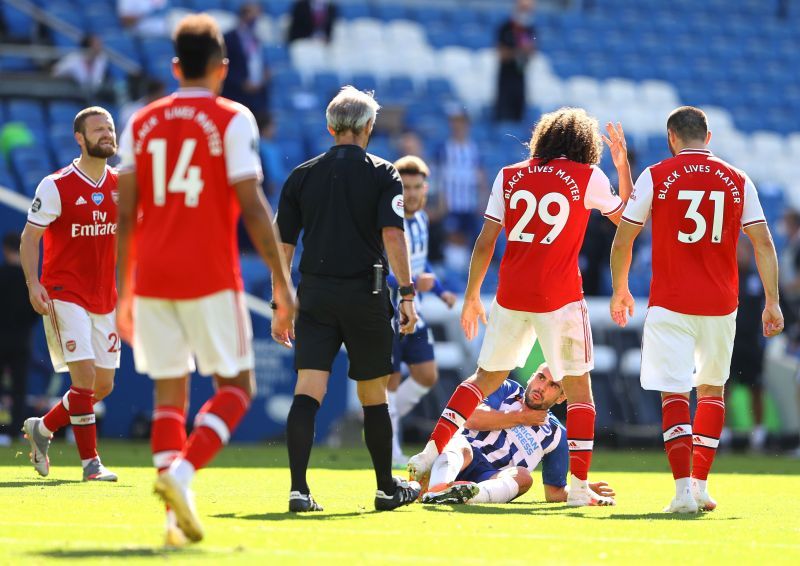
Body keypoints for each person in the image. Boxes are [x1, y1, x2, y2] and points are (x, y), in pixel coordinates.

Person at [115, 14, 296, 545]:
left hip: (151, 278)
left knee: (169, 397)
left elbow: (126, 215)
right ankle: (183, 475)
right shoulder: (233, 117)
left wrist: (124, 290)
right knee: (237, 388)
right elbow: (254, 207)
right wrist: (282, 283)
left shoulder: (140, 121)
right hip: (211, 275)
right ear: (222, 68)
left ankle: (174, 521)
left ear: (174, 67)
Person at [408, 108, 633, 508]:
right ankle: (579, 489)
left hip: (511, 292)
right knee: (580, 392)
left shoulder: (510, 174)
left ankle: (430, 451)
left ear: (542, 139)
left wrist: (473, 295)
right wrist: (623, 167)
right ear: (584, 143)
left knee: (482, 380)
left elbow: (485, 240)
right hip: (559, 296)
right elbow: (628, 220)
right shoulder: (588, 176)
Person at [609, 106, 784, 513]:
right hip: (721, 305)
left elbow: (623, 239)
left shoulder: (655, 175)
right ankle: (702, 485)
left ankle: (683, 491)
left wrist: (620, 290)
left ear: (672, 137)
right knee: (711, 390)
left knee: (675, 392)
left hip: (671, 302)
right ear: (709, 137)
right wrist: (772, 301)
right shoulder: (737, 179)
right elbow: (763, 243)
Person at [275, 85, 421, 513]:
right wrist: (407, 293)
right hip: (365, 291)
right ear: (369, 127)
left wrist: (279, 302)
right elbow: (393, 235)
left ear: (330, 126)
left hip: (314, 292)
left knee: (308, 391)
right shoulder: (383, 172)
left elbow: (281, 245)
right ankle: (384, 489)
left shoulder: (301, 174)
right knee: (373, 395)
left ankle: (299, 490)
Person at [20, 106, 120, 482]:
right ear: (80, 138)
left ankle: (43, 428)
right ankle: (90, 464)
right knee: (84, 379)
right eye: (98, 129)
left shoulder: (121, 184)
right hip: (64, 293)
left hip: (104, 296)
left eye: (110, 128)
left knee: (103, 385)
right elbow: (31, 238)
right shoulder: (56, 184)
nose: (106, 134)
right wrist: (34, 282)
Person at [422, 364, 615, 505]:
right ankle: (437, 489)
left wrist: (581, 488)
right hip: (464, 457)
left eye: (553, 386)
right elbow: (471, 417)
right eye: (540, 377)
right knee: (459, 444)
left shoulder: (556, 436)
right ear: (531, 377)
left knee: (524, 477)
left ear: (561, 398)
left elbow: (554, 492)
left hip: (489, 477)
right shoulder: (507, 388)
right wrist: (521, 417)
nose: (542, 387)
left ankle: (468, 495)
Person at [386, 155, 457, 466]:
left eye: (417, 186)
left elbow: (420, 261)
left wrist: (440, 292)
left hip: (415, 310)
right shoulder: (388, 222)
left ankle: (378, 419)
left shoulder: (424, 220)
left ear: (425, 189)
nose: (412, 193)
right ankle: (391, 450)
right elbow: (381, 270)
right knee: (388, 380)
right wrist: (414, 282)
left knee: (426, 375)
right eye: (406, 187)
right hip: (386, 310)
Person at [729, 239, 768, 450]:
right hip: (729, 341)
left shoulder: (759, 278)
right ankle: (722, 433)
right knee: (723, 386)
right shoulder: (726, 275)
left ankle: (759, 434)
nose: (741, 254)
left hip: (752, 343)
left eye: (744, 250)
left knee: (757, 388)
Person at [0, 232, 39, 443]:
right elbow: (36, 311)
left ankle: (3, 432)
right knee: (19, 388)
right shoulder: (28, 279)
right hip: (22, 341)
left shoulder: (1, 274)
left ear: (5, 249)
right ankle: (16, 431)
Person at [437, 109, 486, 246]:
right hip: (450, 205)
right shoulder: (444, 148)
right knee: (451, 241)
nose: (458, 126)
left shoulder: (474, 149)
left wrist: (482, 201)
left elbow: (481, 175)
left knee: (470, 243)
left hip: (470, 205)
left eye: (461, 122)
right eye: (455, 122)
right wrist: (441, 201)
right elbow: (438, 176)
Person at [222, 3, 270, 118]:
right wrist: (241, 83)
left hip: (256, 97)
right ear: (244, 15)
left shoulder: (256, 38)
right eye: (253, 14)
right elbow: (225, 65)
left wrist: (264, 75)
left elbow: (257, 61)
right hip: (236, 95)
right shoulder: (229, 38)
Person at [495, 0, 537, 122]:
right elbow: (501, 54)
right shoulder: (506, 27)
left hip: (521, 77)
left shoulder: (529, 29)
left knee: (519, 115)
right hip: (506, 80)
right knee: (504, 116)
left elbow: (532, 51)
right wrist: (518, 52)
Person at [52, 35, 113, 102]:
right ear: (88, 47)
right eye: (97, 44)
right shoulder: (73, 59)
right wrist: (69, 76)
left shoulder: (101, 59)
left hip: (94, 96)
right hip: (73, 96)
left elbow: (98, 81)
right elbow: (55, 72)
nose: (100, 47)